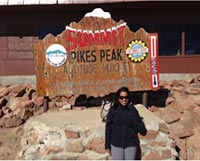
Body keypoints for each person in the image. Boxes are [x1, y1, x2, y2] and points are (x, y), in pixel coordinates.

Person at [105, 86, 147, 160]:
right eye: (121, 97)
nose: (124, 99)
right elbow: (108, 127)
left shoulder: (132, 110)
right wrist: (107, 145)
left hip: (130, 143)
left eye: (126, 97)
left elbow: (140, 127)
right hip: (116, 144)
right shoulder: (113, 110)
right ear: (118, 98)